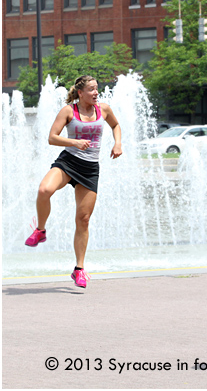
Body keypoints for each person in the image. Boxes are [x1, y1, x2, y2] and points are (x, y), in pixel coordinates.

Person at [25, 75, 122, 288]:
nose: (96, 93)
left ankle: (79, 269)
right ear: (80, 93)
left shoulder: (103, 109)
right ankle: (40, 230)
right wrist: (74, 142)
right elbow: (52, 137)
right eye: (92, 89)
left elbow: (115, 125)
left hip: (89, 169)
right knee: (44, 190)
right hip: (68, 162)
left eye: (97, 89)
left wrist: (117, 143)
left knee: (83, 218)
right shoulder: (69, 111)